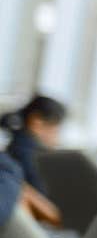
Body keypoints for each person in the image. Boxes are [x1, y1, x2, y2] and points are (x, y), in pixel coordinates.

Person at [1, 94, 65, 229]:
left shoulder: (14, 154)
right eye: (55, 130)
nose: (57, 139)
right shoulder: (23, 159)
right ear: (37, 122)